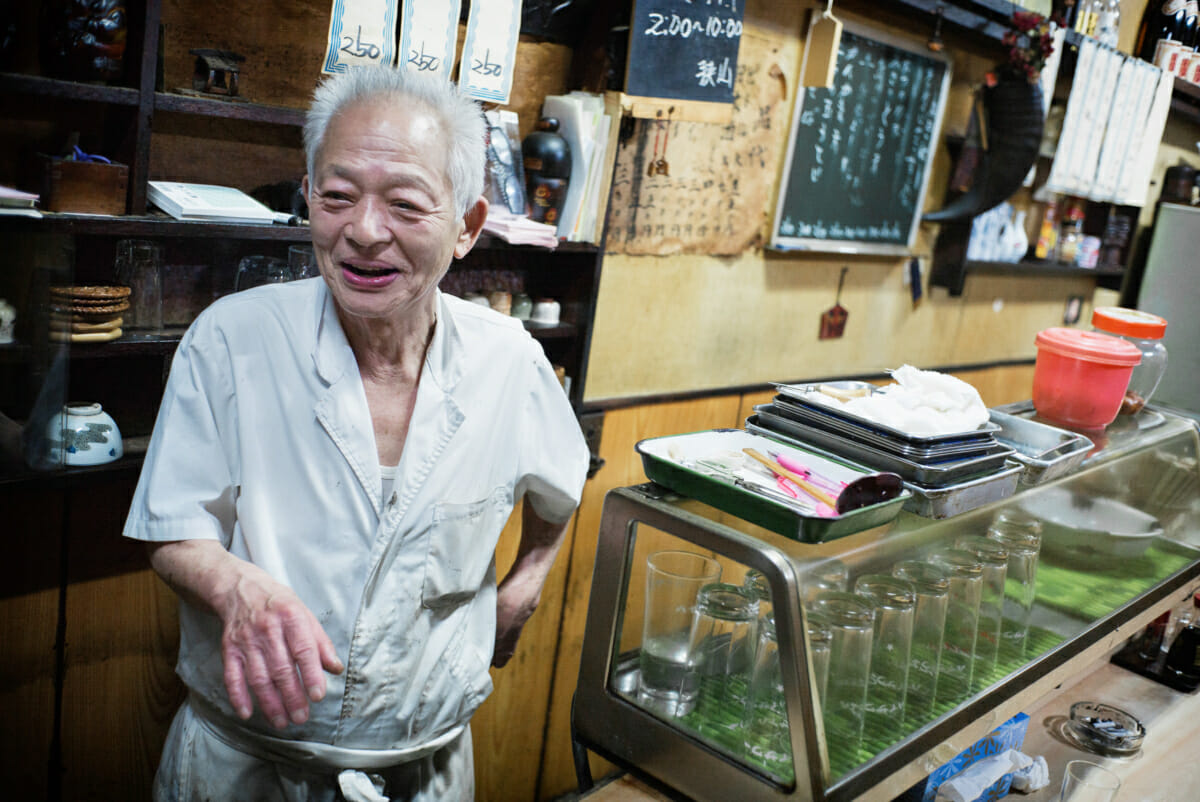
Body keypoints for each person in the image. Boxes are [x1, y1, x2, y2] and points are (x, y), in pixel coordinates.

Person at [123, 66, 590, 802]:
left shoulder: (510, 364)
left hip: (425, 766)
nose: (363, 233)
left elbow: (564, 485)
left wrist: (523, 587)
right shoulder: (231, 341)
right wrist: (233, 585)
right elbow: (172, 526)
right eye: (336, 197)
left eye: (405, 203)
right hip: (245, 767)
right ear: (307, 198)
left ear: (467, 227)